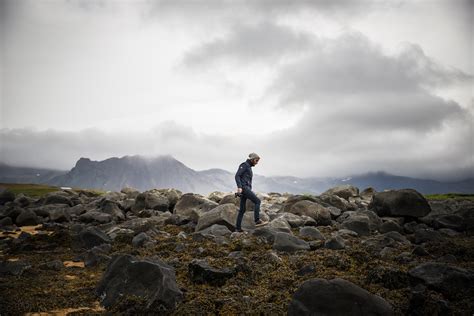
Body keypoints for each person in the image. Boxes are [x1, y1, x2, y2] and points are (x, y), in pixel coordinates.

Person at [234, 152, 268, 232]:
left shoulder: (249, 167)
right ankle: (257, 221)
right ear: (252, 159)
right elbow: (237, 176)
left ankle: (238, 228)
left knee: (242, 210)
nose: (257, 163)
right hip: (244, 189)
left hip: (246, 188)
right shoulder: (244, 165)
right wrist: (239, 187)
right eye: (256, 160)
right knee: (257, 201)